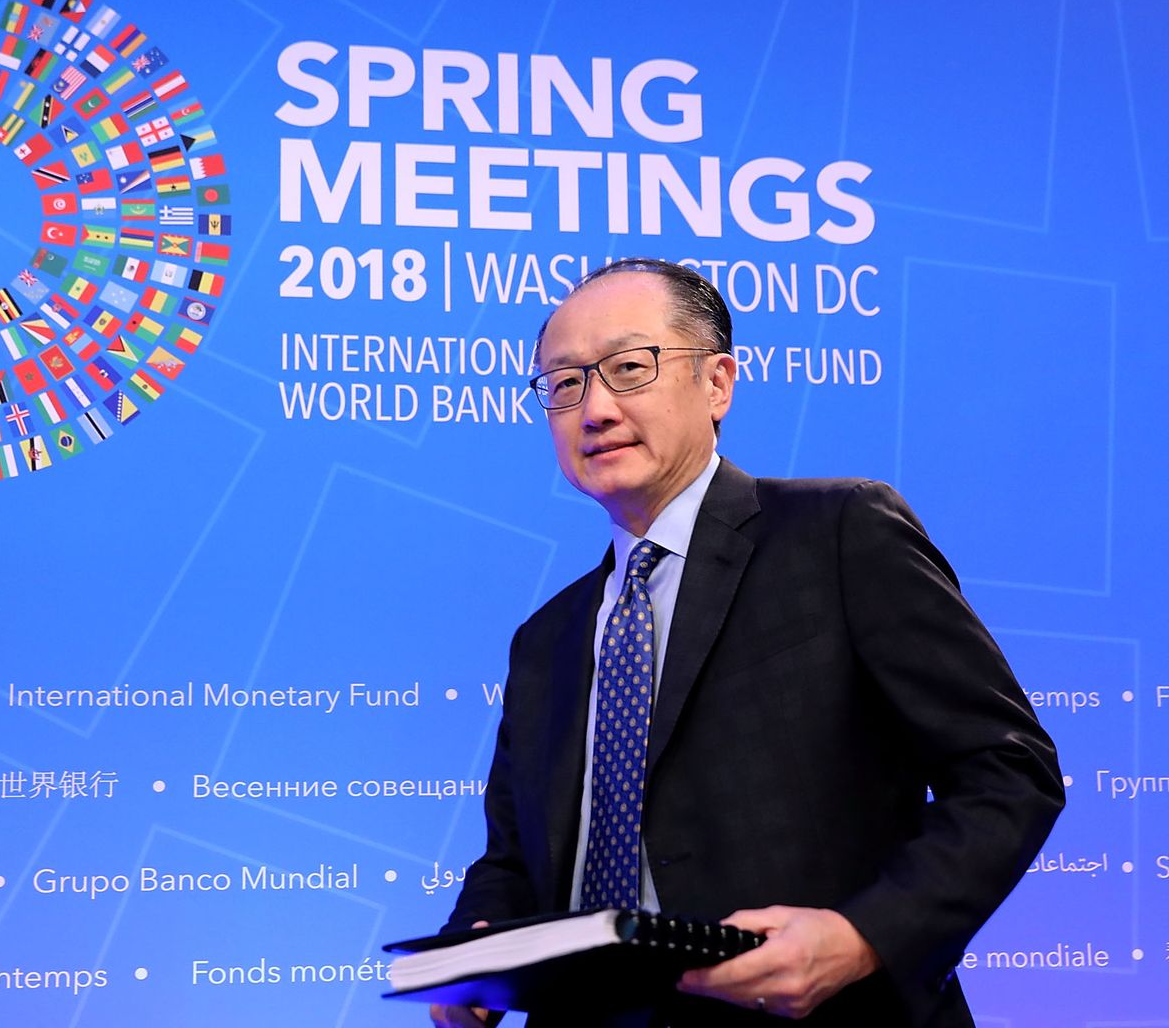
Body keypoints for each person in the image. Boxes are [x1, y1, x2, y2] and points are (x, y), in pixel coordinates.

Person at [430, 259, 1063, 1027]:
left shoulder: (837, 534)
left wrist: (865, 936)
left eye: (629, 368)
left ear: (718, 383)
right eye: (564, 384)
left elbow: (1007, 772)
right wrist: (472, 951)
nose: (593, 408)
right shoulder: (547, 638)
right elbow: (515, 862)